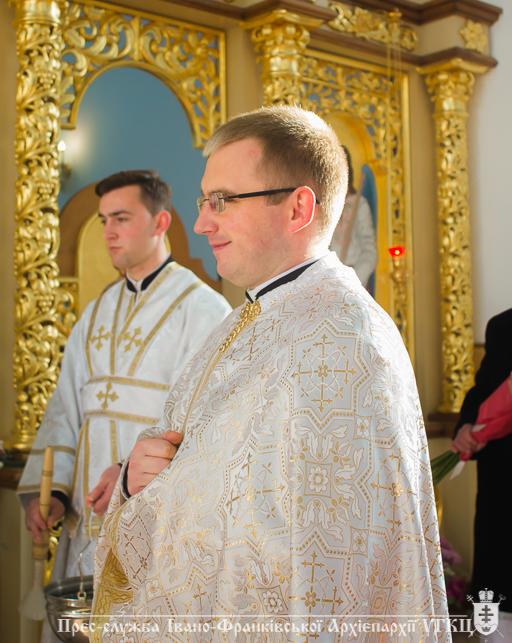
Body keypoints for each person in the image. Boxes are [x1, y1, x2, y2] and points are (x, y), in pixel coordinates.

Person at [92, 109, 448, 642]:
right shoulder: (244, 320)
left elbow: (327, 565)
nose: (202, 224)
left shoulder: (347, 340)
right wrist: (134, 477)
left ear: (298, 207)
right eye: (203, 201)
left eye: (222, 201)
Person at [18, 170, 231, 586]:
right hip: (85, 516)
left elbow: (202, 423)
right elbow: (65, 408)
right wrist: (54, 491)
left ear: (160, 222)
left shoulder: (203, 310)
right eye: (104, 220)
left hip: (155, 522)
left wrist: (130, 470)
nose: (108, 232)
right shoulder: (95, 313)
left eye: (121, 218)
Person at [451, 308, 512, 632]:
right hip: (502, 483)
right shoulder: (503, 326)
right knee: (499, 592)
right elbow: (482, 390)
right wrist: (468, 425)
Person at [330, 146, 378, 290]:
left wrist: (353, 280)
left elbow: (370, 251)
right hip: (329, 282)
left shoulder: (358, 204)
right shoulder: (323, 205)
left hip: (353, 282)